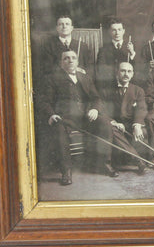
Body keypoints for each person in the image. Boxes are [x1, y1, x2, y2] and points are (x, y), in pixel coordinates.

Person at [38, 51, 122, 184]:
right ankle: (66, 171)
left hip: (85, 117)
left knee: (105, 124)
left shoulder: (85, 78)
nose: (70, 61)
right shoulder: (53, 79)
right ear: (61, 63)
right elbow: (45, 101)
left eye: (73, 58)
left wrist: (94, 109)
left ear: (77, 61)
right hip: (65, 119)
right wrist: (51, 114)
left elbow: (96, 98)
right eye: (66, 58)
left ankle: (105, 164)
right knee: (59, 130)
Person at [101, 62, 148, 175]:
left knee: (143, 131)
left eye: (129, 71)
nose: (126, 74)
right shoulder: (106, 90)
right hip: (113, 124)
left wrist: (137, 124)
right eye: (123, 71)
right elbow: (102, 111)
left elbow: (141, 109)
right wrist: (113, 122)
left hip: (130, 124)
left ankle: (137, 158)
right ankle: (138, 160)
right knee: (112, 130)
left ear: (132, 74)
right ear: (117, 73)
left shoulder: (138, 90)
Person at [96, 19, 137, 85]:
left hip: (128, 84)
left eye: (119, 30)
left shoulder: (132, 47)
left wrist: (132, 53)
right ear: (110, 32)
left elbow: (137, 68)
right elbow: (101, 69)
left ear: (123, 31)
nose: (117, 33)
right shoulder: (103, 50)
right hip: (110, 85)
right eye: (114, 30)